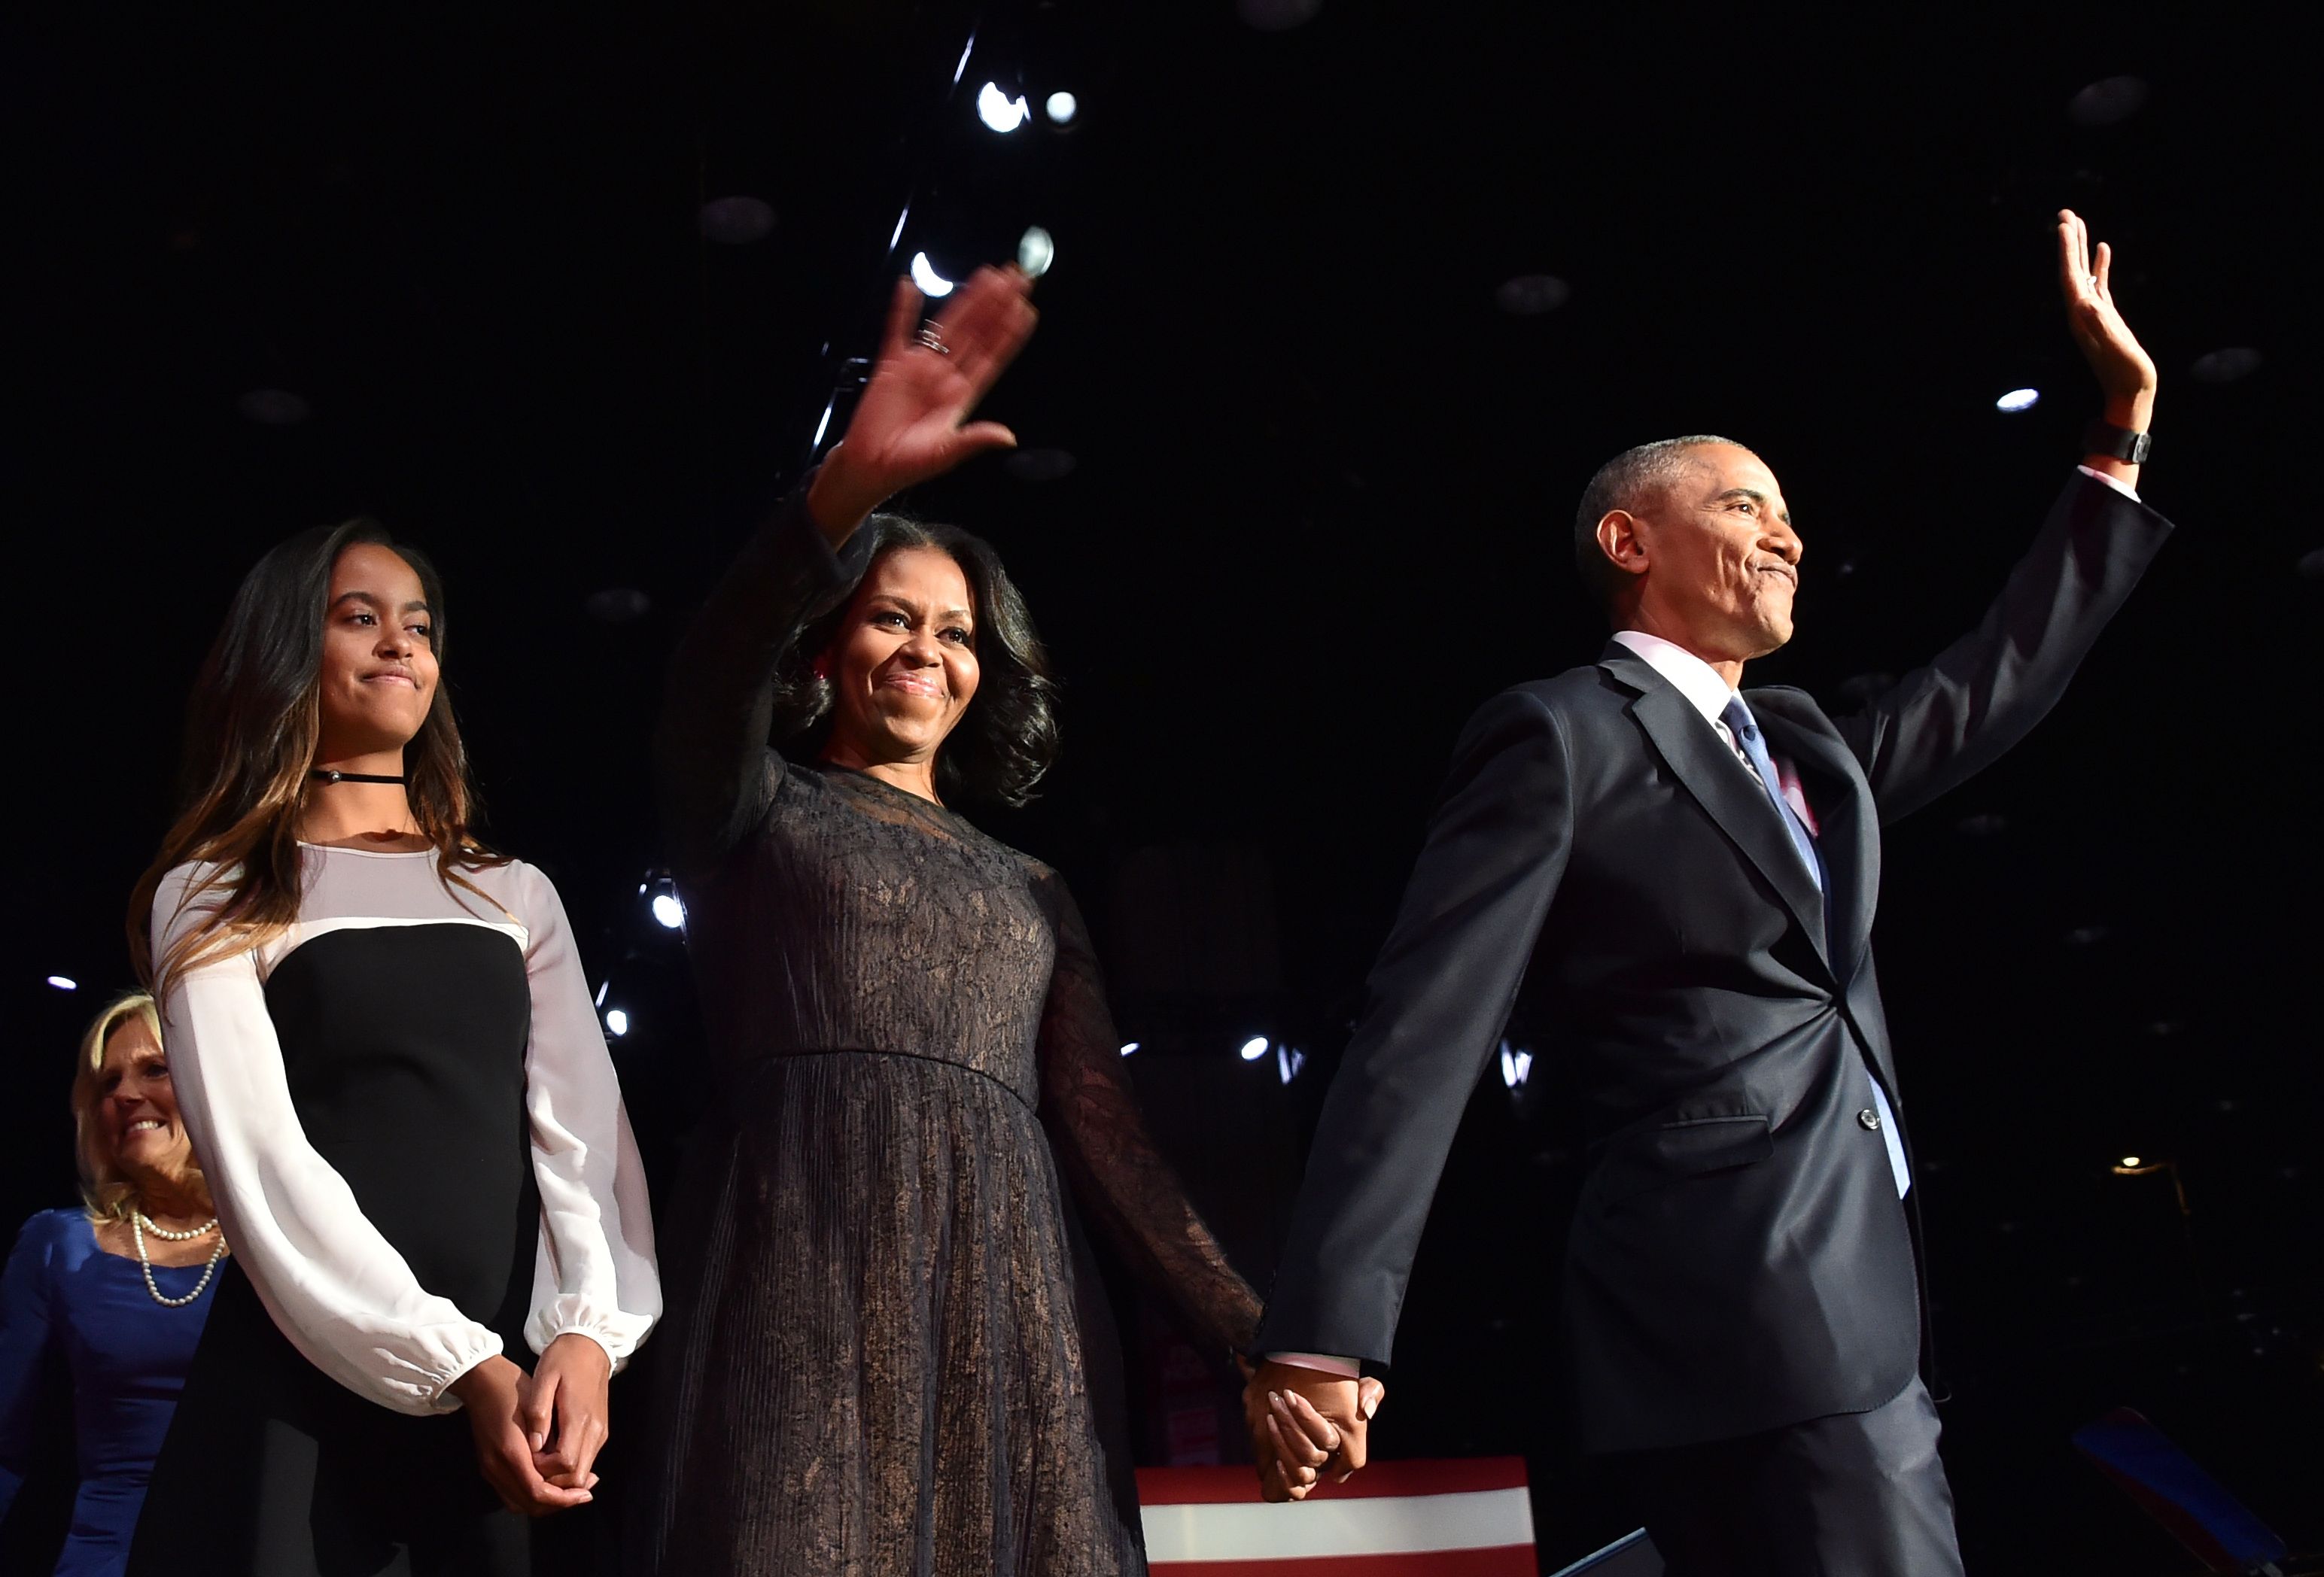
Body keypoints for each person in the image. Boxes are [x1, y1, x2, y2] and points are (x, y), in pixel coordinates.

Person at [1241, 210, 2172, 1572]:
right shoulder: (1562, 732)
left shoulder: (1801, 749)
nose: (1786, 536)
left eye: (1788, 513)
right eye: (1744, 504)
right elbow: (1419, 1027)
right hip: (1731, 1293)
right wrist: (1324, 1326)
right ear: (1630, 540)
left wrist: (2118, 428)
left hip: (1851, 1298)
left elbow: (1991, 680)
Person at [633, 264, 1342, 1576]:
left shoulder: (1028, 886)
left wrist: (1254, 1336)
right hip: (796, 1269)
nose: (925, 649)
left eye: (955, 633)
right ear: (823, 651)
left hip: (1006, 1305)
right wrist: (847, 484)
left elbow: (1106, 1136)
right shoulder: (752, 807)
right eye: (890, 617)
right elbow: (710, 667)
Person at [122, 516, 662, 1575]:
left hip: (522, 1391)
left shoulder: (509, 890)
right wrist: (456, 1365)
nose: (399, 645)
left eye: (417, 624)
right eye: (358, 619)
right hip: (308, 1385)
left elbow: (584, 1138)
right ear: (286, 651)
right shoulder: (215, 891)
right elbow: (259, 1162)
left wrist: (589, 1339)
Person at [0, 994, 224, 1575]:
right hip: (111, 1556)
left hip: (257, 1545)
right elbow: (5, 1441)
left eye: (155, 1069)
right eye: (108, 1083)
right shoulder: (59, 1244)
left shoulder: (274, 1240)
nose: (125, 1095)